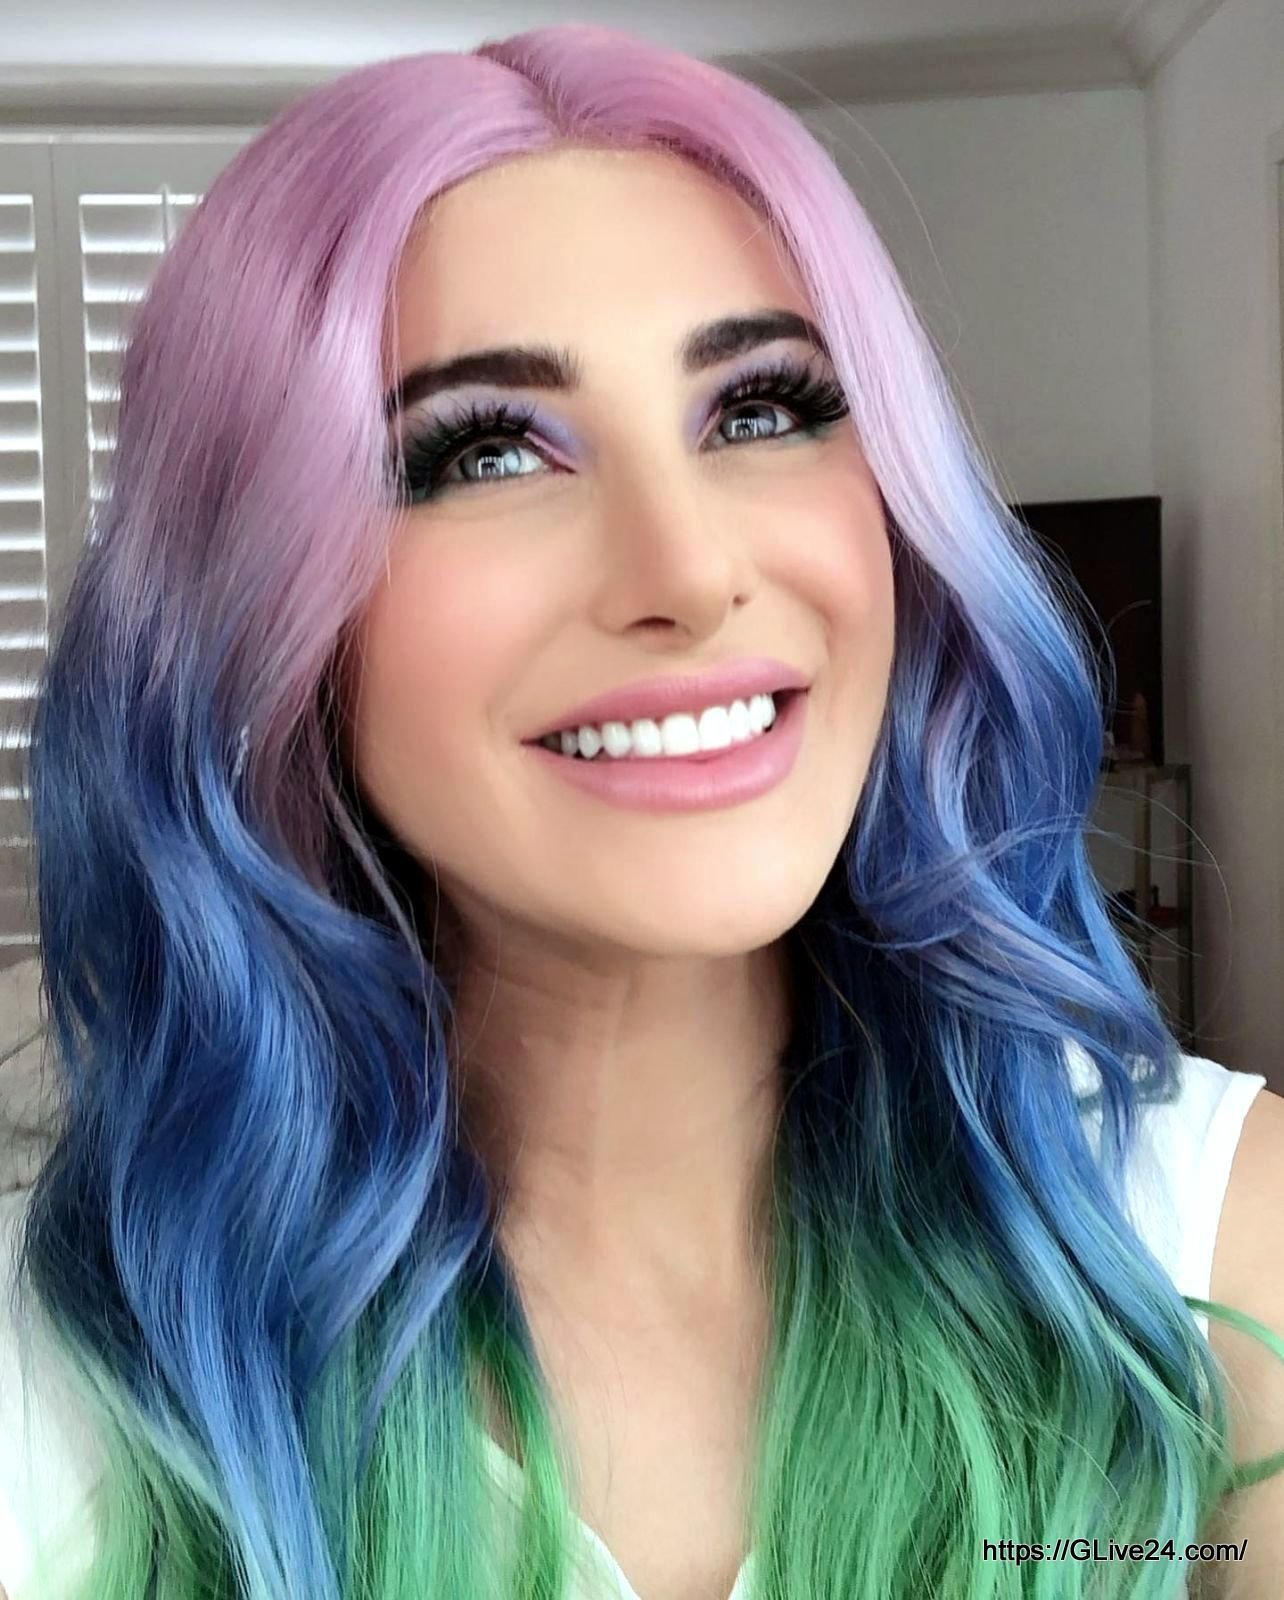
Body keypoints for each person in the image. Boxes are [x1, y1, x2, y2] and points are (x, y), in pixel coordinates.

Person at [1, 20, 1282, 1600]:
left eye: (759, 410)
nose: (687, 570)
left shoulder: (1213, 1253)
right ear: (259, 614)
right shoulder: (51, 1403)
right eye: (485, 451)